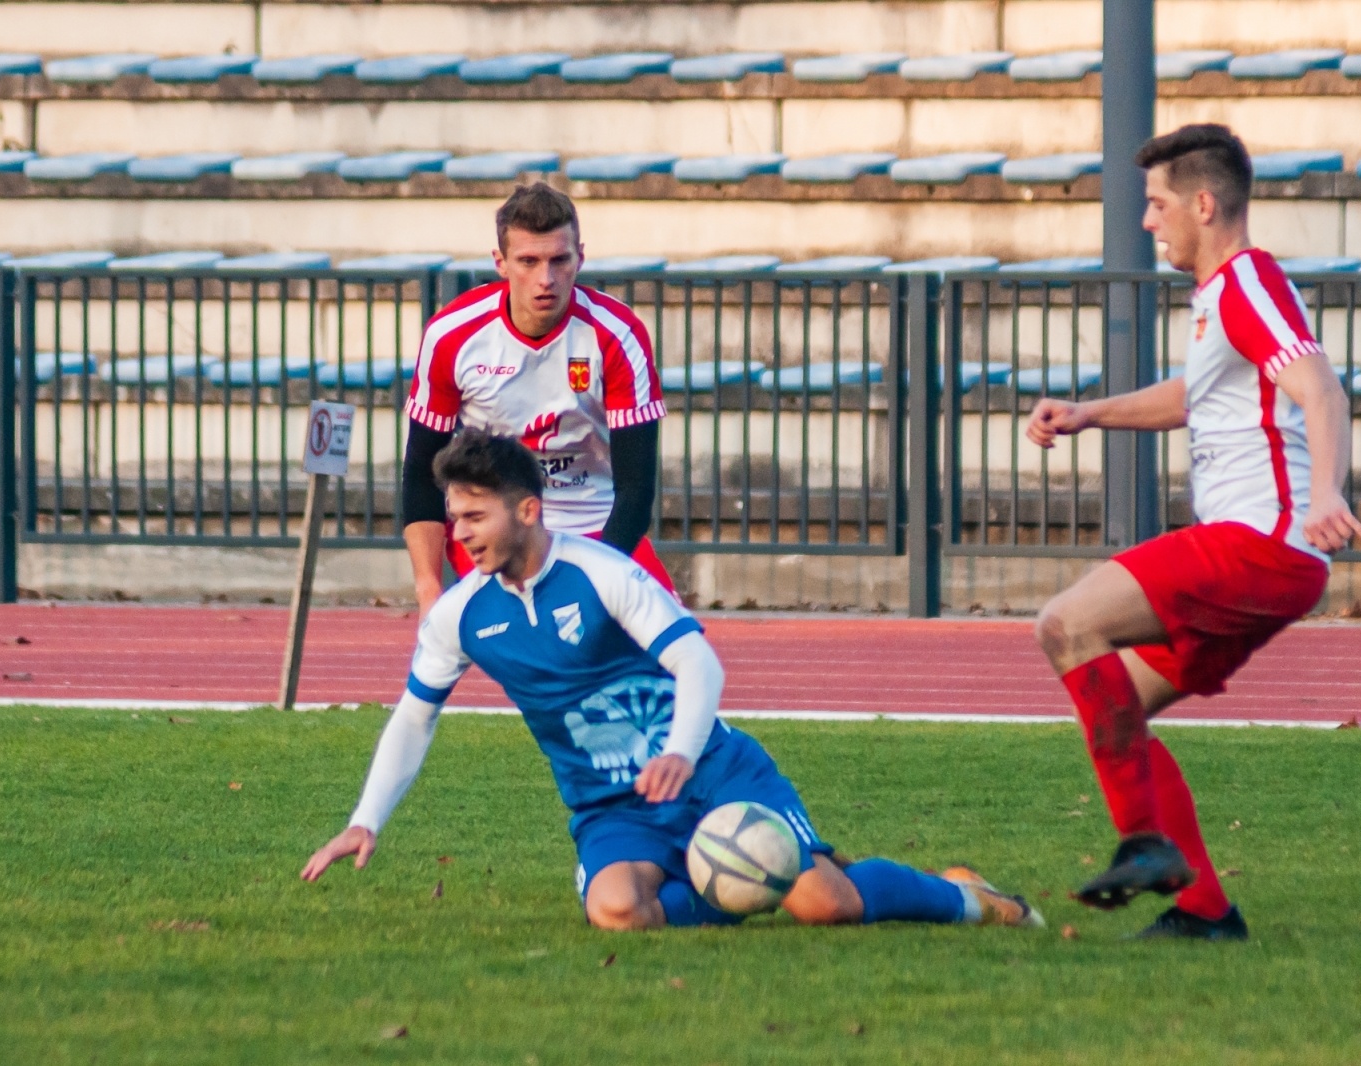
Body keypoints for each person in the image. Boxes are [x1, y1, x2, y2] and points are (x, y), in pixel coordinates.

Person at [304, 430, 1045, 932]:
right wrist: (366, 819)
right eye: (452, 517)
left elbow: (699, 662)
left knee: (829, 906)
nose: (458, 533)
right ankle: (716, 873)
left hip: (711, 772)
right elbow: (413, 716)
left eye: (474, 517)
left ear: (528, 511)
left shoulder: (604, 573)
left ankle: (969, 899)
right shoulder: (460, 615)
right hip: (611, 808)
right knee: (618, 911)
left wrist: (683, 753)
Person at [1025, 124, 1361, 940]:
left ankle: (1144, 844)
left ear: (1204, 204)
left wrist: (1326, 492)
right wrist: (1088, 414)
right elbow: (1197, 397)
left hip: (1259, 548)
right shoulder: (1224, 296)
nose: (1148, 221)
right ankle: (1207, 911)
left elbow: (1322, 389)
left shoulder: (1249, 281)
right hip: (1264, 559)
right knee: (1120, 709)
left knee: (1065, 624)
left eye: (1158, 203)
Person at [401, 183, 671, 614]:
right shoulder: (451, 336)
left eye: (559, 260)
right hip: (497, 522)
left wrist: (598, 586)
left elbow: (636, 488)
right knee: (534, 650)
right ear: (501, 263)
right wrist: (429, 589)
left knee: (666, 646)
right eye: (528, 261)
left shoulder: (618, 336)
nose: (545, 279)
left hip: (595, 522)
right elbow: (419, 474)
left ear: (580, 257)